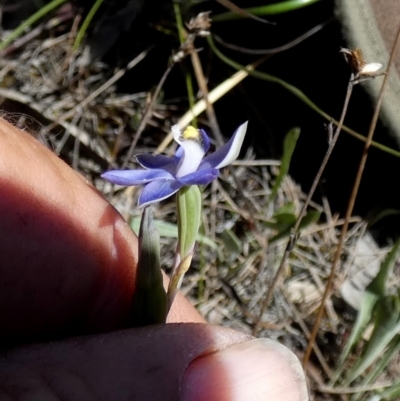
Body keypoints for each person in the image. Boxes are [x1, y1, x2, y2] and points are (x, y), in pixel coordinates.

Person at [0, 118, 309, 400]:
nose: (188, 140)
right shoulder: (169, 175)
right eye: (186, 142)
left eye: (191, 143)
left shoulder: (201, 172)